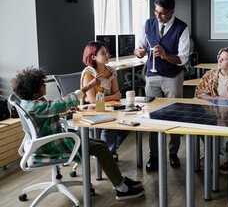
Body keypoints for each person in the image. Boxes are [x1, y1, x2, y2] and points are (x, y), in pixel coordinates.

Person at [10, 67, 144, 200]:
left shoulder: (29, 103)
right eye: (42, 84)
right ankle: (121, 188)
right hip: (50, 146)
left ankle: (119, 180)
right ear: (35, 93)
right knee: (102, 148)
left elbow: (49, 112)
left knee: (101, 143)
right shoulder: (36, 107)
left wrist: (65, 112)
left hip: (47, 140)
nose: (45, 85)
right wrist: (87, 87)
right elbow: (60, 103)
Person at [134, 0, 190, 171]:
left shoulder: (182, 28)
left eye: (162, 13)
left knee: (174, 115)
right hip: (152, 76)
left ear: (172, 11)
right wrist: (140, 52)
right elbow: (138, 48)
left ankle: (173, 154)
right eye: (155, 11)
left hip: (173, 77)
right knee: (152, 116)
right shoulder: (148, 23)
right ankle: (154, 156)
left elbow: (183, 58)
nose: (157, 16)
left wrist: (165, 56)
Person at [81, 41, 129, 159]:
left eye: (107, 52)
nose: (107, 55)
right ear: (93, 57)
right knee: (110, 125)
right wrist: (112, 97)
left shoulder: (111, 71)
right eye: (103, 53)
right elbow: (92, 100)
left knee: (130, 122)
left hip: (109, 107)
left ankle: (107, 150)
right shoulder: (88, 74)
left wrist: (109, 97)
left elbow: (117, 93)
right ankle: (107, 154)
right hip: (92, 110)